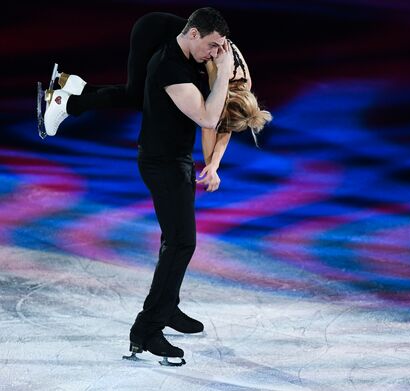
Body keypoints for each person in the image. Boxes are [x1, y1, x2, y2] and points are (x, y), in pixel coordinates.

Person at [39, 8, 271, 365]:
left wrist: (213, 164)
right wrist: (222, 74)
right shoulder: (172, 67)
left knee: (176, 240)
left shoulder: (223, 64)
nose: (216, 54)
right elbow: (210, 118)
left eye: (218, 50)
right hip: (161, 162)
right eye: (211, 47)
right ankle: (147, 329)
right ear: (196, 36)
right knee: (181, 242)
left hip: (173, 159)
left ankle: (168, 308)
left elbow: (220, 121)